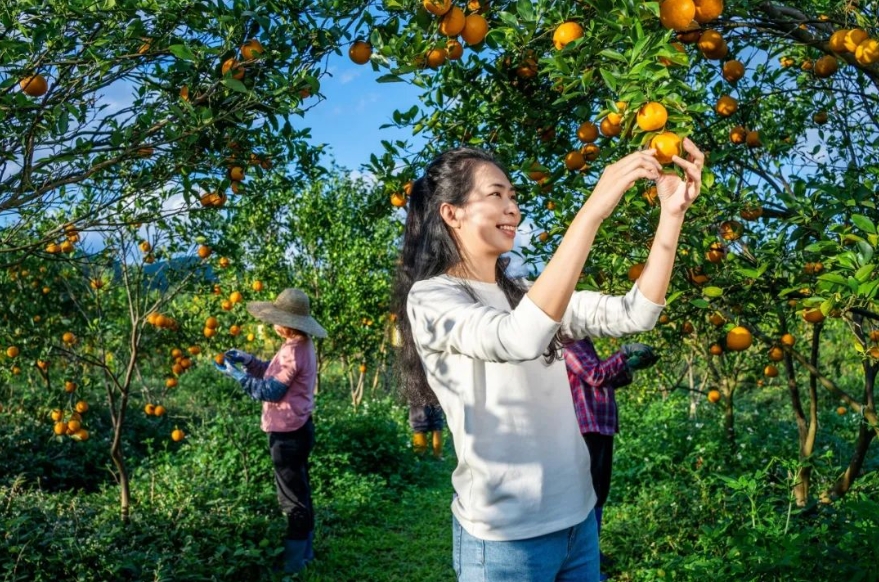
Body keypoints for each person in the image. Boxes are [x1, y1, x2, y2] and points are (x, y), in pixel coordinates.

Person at [392, 143, 703, 582]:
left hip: (578, 520)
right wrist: (592, 210)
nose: (512, 209)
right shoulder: (431, 298)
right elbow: (518, 337)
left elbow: (637, 312)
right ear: (451, 213)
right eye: (495, 195)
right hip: (506, 540)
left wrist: (671, 216)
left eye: (513, 197)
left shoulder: (524, 291)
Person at [214, 288, 327, 575]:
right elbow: (272, 373)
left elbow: (271, 391)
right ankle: (306, 554)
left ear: (287, 325)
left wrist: (238, 376)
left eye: (277, 319)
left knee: (291, 498)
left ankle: (293, 565)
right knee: (300, 491)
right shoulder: (302, 344)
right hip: (299, 428)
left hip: (288, 435)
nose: (273, 324)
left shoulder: (293, 350)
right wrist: (249, 361)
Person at [564, 338, 658, 580]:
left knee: (599, 491)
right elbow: (594, 375)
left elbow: (609, 380)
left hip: (602, 424)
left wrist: (630, 366)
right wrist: (623, 353)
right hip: (587, 425)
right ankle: (584, 559)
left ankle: (592, 552)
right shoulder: (569, 343)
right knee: (588, 491)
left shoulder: (584, 343)